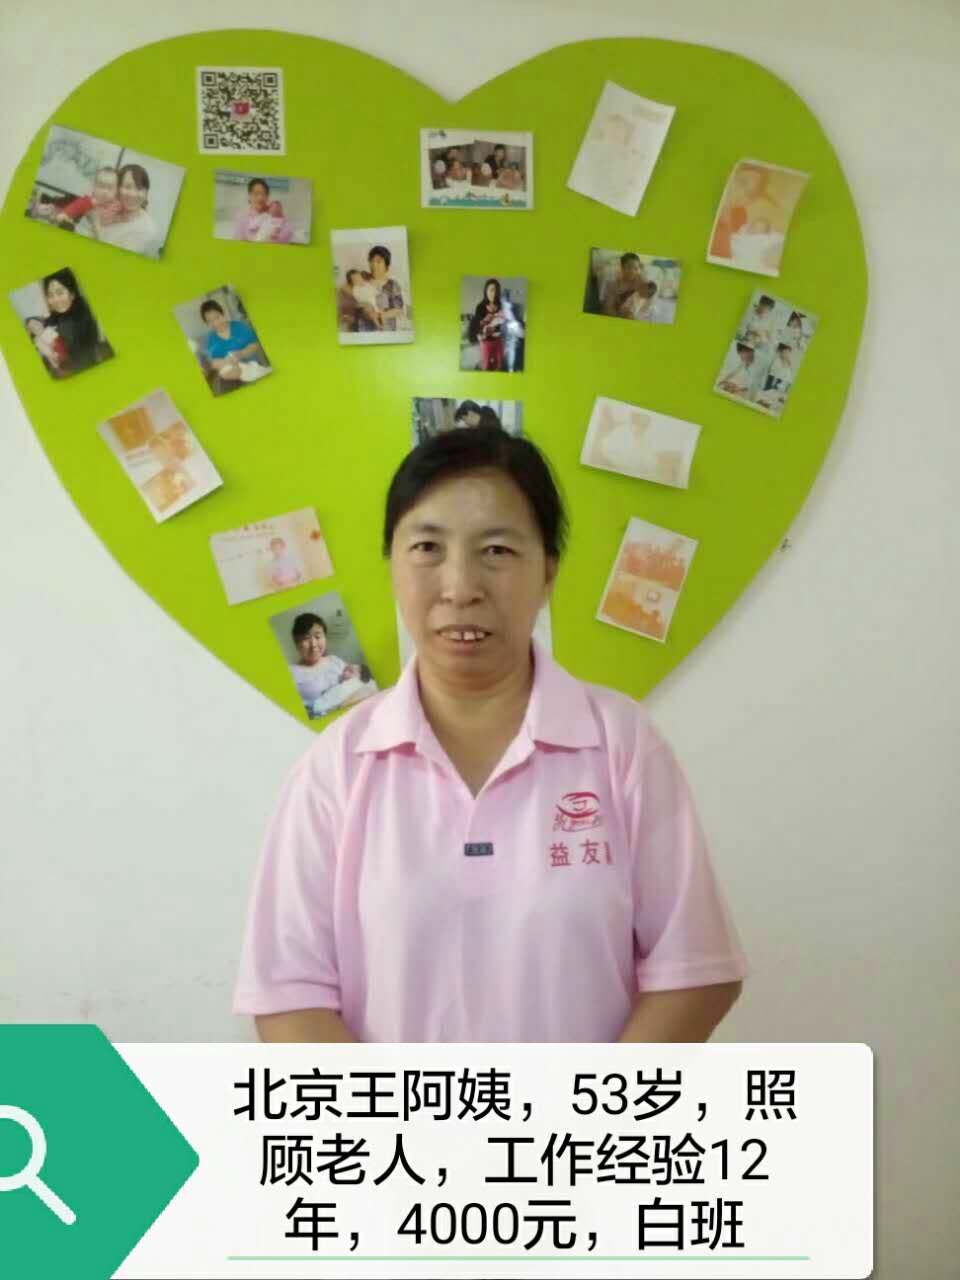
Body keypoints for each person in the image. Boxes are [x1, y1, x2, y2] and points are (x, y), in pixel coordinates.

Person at [234, 426, 747, 1042]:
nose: (460, 588)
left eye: (497, 550)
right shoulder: (337, 767)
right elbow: (288, 997)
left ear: (547, 572)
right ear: (393, 565)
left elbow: (695, 973)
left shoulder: (622, 744)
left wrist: (583, 1105)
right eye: (427, 547)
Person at [287, 613, 374, 720]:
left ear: (325, 637)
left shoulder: (334, 660)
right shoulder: (291, 673)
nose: (313, 644)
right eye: (306, 638)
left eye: (318, 636)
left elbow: (358, 681)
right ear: (296, 643)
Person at [39, 268, 110, 376]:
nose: (55, 300)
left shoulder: (87, 316)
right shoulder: (50, 321)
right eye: (50, 295)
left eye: (60, 293)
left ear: (72, 294)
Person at [91, 163, 162, 256]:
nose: (132, 194)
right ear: (117, 188)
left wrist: (95, 222)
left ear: (146, 194)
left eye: (139, 189)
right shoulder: (111, 209)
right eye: (127, 187)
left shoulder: (147, 231)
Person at [200, 299, 264, 386]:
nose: (215, 323)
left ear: (223, 314)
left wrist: (242, 353)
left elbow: (255, 344)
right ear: (206, 323)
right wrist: (223, 363)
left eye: (217, 317)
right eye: (209, 321)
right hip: (233, 377)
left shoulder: (240, 326)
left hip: (254, 367)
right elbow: (216, 361)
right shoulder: (211, 339)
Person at [52, 166, 123, 231]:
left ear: (116, 190)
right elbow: (76, 207)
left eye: (110, 188)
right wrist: (64, 215)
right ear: (94, 187)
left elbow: (125, 217)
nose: (105, 191)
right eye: (101, 186)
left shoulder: (118, 205)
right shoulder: (89, 201)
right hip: (85, 229)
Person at [233, 178, 293, 243]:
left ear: (267, 196)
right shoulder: (242, 217)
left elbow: (288, 232)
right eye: (256, 194)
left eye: (264, 194)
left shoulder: (275, 212)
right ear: (249, 196)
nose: (260, 197)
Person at [366, 245, 405, 331]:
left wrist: (382, 315)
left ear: (386, 264)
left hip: (387, 329)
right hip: (366, 329)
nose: (374, 265)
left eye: (378, 261)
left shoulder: (393, 285)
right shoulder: (363, 281)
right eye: (371, 261)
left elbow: (399, 309)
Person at [469, 278, 505, 370]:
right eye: (491, 290)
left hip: (498, 341)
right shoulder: (480, 307)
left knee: (499, 366)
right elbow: (476, 327)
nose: (494, 293)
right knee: (486, 366)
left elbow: (503, 325)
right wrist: (485, 321)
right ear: (486, 291)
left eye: (496, 290)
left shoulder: (501, 305)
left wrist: (499, 322)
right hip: (485, 342)